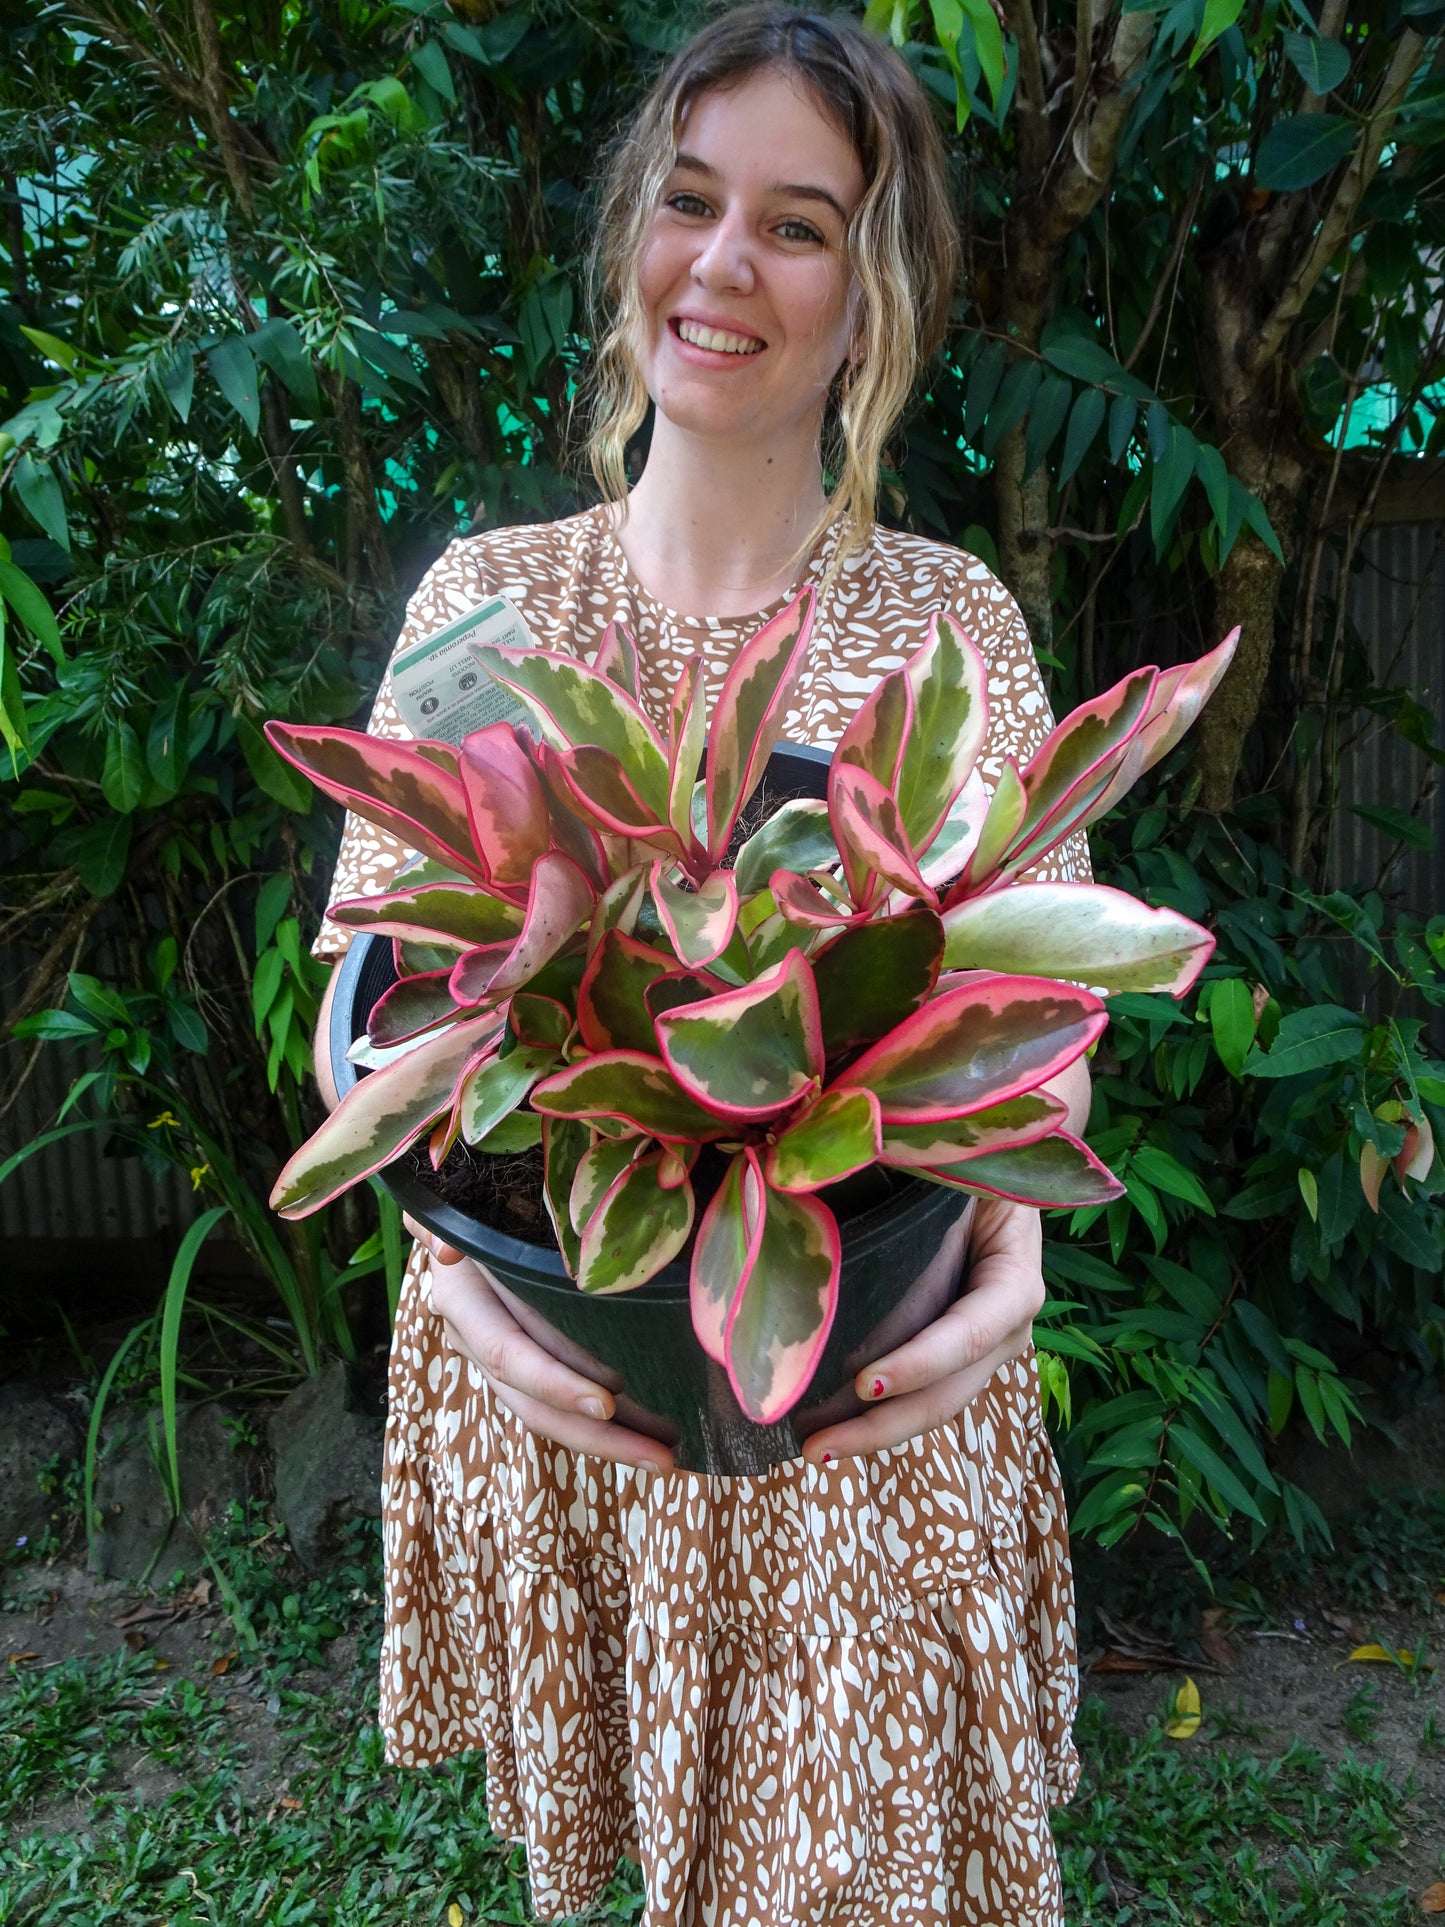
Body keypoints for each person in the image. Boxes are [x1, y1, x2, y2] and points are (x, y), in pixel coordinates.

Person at [310, 9, 1092, 1922]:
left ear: (871, 292)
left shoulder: (949, 619)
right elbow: (378, 1011)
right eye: (687, 201)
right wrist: (448, 1262)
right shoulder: (487, 606)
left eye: (799, 223)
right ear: (631, 236)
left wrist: (1022, 1239)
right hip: (566, 1384)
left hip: (857, 1401)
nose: (723, 265)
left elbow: (1041, 1032)